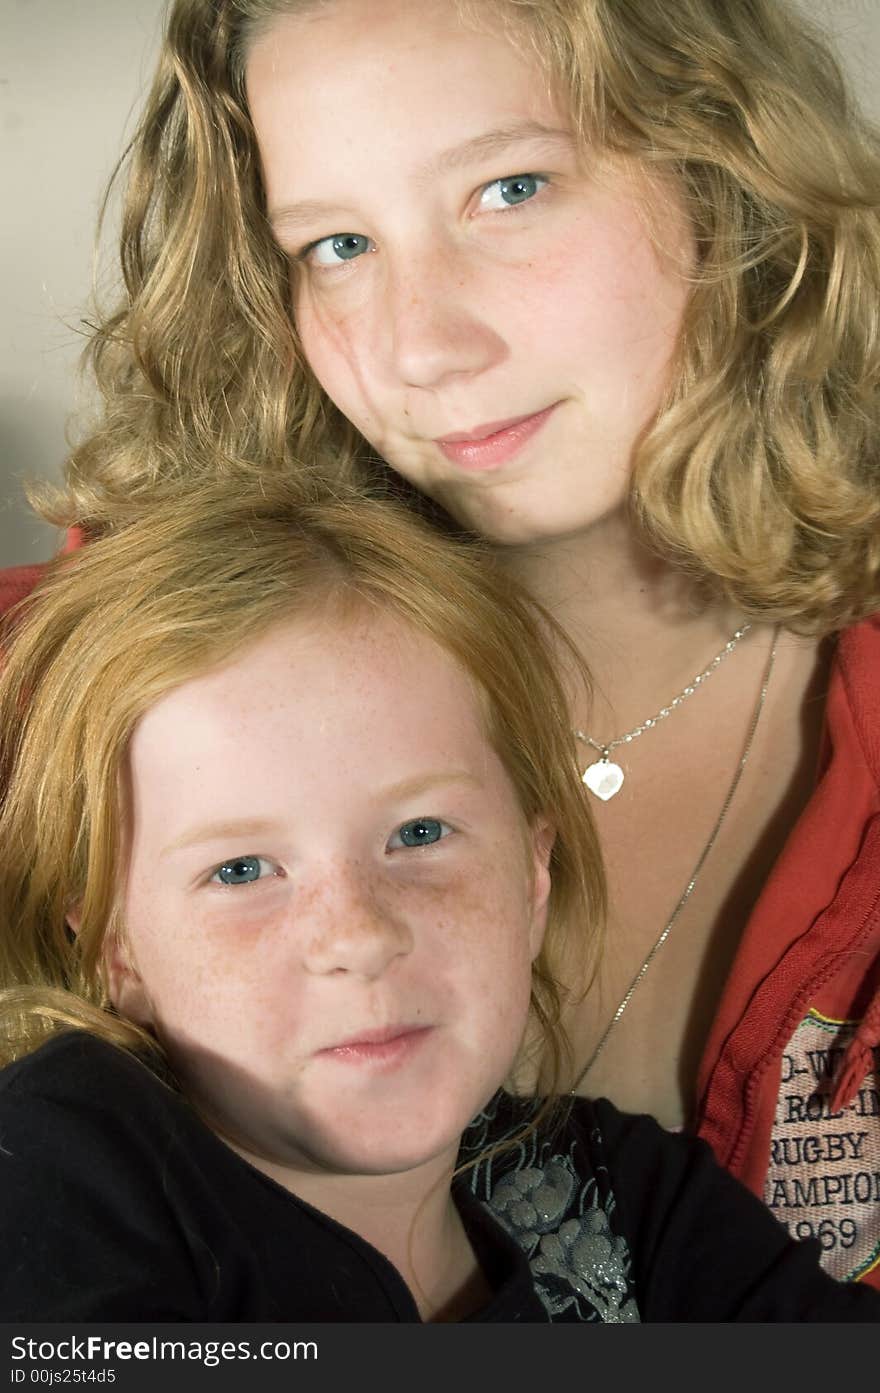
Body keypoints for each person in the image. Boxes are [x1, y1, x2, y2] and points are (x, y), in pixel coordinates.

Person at [4, 0, 879, 1284]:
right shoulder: (42, 695)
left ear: (725, 178)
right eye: (338, 243)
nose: (421, 344)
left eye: (508, 189)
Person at [0, 473, 878, 1323]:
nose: (359, 933)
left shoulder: (627, 1197)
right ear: (118, 947)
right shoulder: (61, 1166)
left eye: (419, 834)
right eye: (240, 870)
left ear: (534, 875)